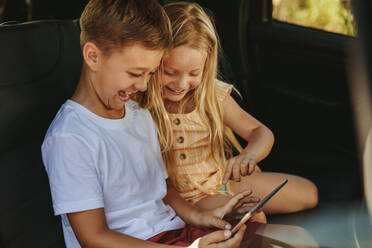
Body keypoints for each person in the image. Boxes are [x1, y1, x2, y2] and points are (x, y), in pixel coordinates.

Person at [41, 0, 260, 247]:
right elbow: (94, 237)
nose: (144, 86)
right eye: (135, 74)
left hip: (174, 232)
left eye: (151, 73)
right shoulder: (70, 138)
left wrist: (201, 217)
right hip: (137, 242)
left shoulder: (138, 113)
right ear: (93, 57)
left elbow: (161, 188)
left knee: (278, 236)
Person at [148, 1, 318, 215]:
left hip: (224, 181)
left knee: (308, 192)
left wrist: (248, 156)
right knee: (251, 211)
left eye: (193, 73)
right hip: (189, 199)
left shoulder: (212, 96)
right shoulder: (143, 104)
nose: (181, 84)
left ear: (206, 66)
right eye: (171, 72)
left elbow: (261, 133)